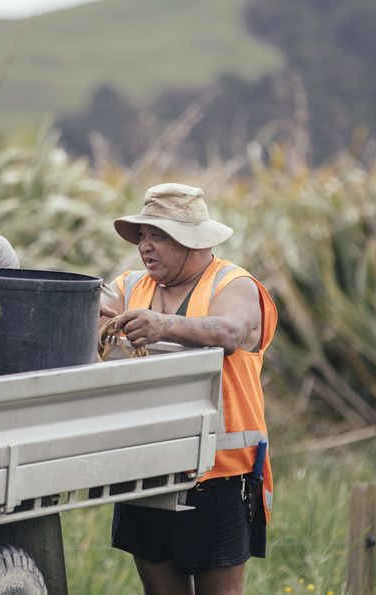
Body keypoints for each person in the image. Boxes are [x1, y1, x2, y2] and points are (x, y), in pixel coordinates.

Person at [101, 182, 277, 595]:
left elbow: (229, 331)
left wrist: (162, 326)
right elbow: (90, 307)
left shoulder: (233, 284)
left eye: (157, 235)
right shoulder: (131, 286)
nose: (145, 246)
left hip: (218, 474)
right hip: (145, 468)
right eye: (142, 235)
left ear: (192, 240)